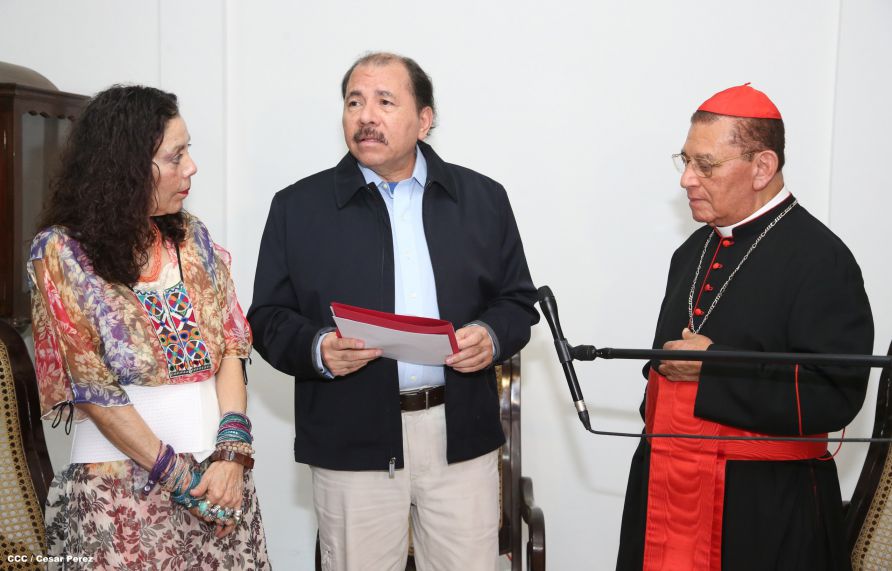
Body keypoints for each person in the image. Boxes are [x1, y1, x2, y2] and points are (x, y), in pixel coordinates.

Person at [248, 52, 538, 570]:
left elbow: (518, 302)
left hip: (460, 435)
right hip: (352, 435)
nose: (366, 117)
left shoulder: (482, 199)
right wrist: (318, 349)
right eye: (354, 102)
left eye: (385, 102)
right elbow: (267, 318)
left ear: (425, 119)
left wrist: (492, 336)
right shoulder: (298, 207)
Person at [616, 84, 874, 571]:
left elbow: (835, 396)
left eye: (705, 165)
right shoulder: (692, 252)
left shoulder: (821, 259)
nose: (687, 179)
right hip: (668, 493)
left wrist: (715, 371)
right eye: (685, 160)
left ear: (762, 167)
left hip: (763, 509)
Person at [29, 85, 270, 569]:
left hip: (219, 480)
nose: (191, 168)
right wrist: (185, 484)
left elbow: (230, 346)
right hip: (117, 492)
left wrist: (231, 456)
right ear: (126, 167)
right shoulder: (61, 254)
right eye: (175, 156)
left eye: (188, 152)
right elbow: (93, 389)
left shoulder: (193, 236)